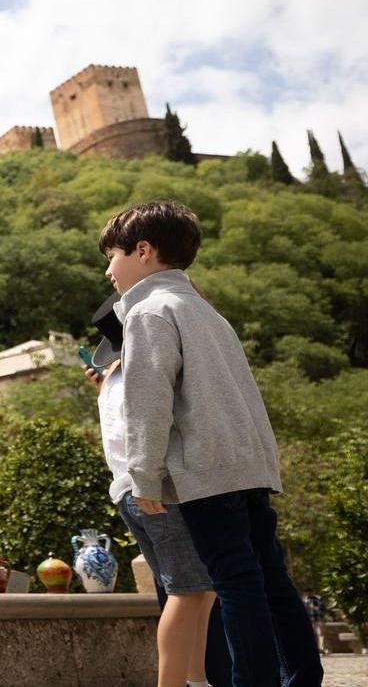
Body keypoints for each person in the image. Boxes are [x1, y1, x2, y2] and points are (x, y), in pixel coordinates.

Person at [100, 200, 323, 687]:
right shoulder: (207, 311)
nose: (109, 270)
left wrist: (144, 475)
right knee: (271, 579)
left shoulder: (148, 312)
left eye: (113, 256)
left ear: (143, 250)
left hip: (205, 471)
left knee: (235, 581)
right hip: (249, 465)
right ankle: (304, 676)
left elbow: (148, 401)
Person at [87, 301, 219, 687]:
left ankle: (196, 680)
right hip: (153, 489)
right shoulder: (137, 375)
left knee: (198, 588)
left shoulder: (110, 380)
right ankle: (177, 682)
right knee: (188, 591)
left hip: (130, 492)